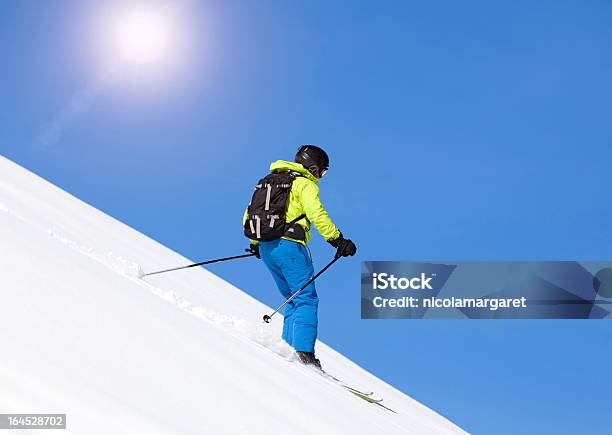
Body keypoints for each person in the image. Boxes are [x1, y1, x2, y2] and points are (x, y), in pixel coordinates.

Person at [245, 145, 356, 369]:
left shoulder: (268, 180)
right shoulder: (303, 183)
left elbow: (249, 212)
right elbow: (316, 213)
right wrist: (337, 240)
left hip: (267, 247)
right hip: (290, 246)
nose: (321, 177)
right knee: (306, 298)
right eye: (322, 172)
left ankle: (287, 348)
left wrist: (256, 243)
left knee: (292, 298)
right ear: (313, 167)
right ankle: (304, 353)